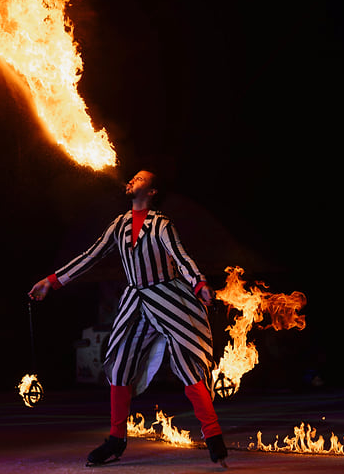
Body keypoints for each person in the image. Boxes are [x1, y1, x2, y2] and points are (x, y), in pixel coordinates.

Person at [27, 170, 228, 467]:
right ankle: (116, 440)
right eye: (132, 177)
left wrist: (198, 283)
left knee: (187, 365)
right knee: (119, 364)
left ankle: (213, 437)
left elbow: (181, 255)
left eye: (140, 178)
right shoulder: (119, 225)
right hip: (136, 299)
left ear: (153, 191)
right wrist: (52, 281)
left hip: (168, 295)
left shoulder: (161, 224)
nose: (132, 180)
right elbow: (90, 256)